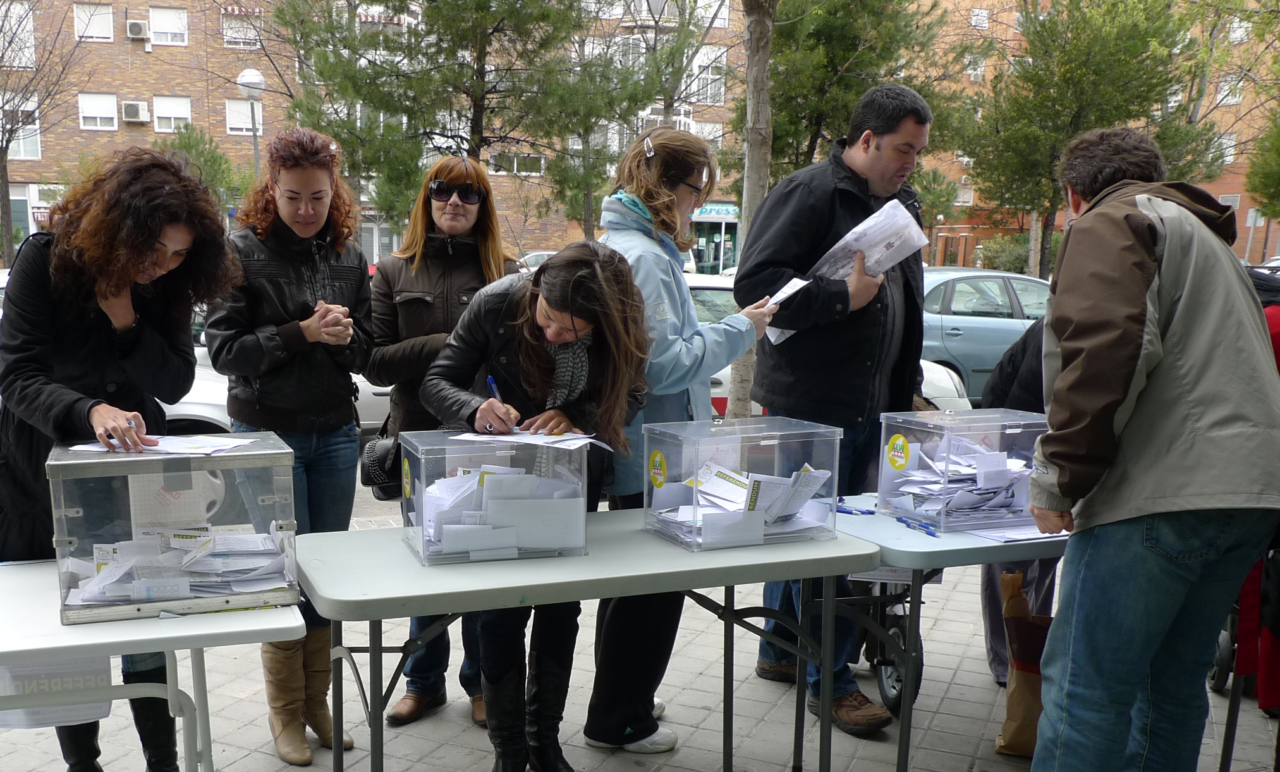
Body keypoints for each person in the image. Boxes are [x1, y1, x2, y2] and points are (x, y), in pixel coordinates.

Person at [1028, 127, 1280, 771]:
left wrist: (1059, 478)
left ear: (1074, 195)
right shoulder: (1205, 238)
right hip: (1248, 493)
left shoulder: (1115, 221)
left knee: (1087, 693)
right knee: (1171, 686)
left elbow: (1108, 351)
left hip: (1159, 495)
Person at [0, 148, 238, 772]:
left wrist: (128, 320)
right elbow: (16, 375)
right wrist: (89, 412)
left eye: (181, 253)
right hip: (38, 468)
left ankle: (163, 760)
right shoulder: (44, 258)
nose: (163, 265)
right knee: (68, 638)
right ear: (120, 229)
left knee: (145, 612)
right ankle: (85, 764)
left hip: (133, 470)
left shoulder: (169, 286)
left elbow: (178, 382)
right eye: (154, 248)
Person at [733, 83, 931, 736]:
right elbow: (757, 290)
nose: (910, 164)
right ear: (866, 140)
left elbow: (901, 302)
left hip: (871, 407)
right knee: (831, 547)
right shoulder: (809, 194)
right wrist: (840, 298)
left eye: (918, 153)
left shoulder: (899, 203)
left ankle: (784, 652)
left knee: (811, 534)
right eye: (902, 150)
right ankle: (834, 684)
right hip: (811, 408)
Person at [584, 127, 777, 753]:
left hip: (650, 448)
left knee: (632, 589)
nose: (699, 204)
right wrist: (740, 329)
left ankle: (624, 697)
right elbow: (663, 365)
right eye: (698, 191)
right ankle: (621, 718)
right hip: (653, 453)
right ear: (668, 188)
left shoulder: (634, 245)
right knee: (651, 594)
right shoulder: (643, 256)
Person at [420, 242, 648, 772]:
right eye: (547, 319)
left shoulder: (624, 319)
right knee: (499, 613)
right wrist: (477, 407)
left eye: (570, 332)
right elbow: (437, 381)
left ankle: (545, 743)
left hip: (570, 481)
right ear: (537, 291)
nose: (552, 335)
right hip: (497, 478)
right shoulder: (499, 302)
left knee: (560, 609)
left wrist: (579, 415)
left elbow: (634, 391)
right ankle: (509, 752)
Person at [205, 127, 373, 766]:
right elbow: (224, 352)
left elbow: (368, 352)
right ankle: (284, 715)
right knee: (282, 576)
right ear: (270, 189)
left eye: (319, 197)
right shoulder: (239, 250)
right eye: (294, 195)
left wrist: (345, 336)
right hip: (265, 431)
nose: (307, 210)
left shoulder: (350, 257)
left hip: (334, 430)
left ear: (336, 194)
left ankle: (317, 705)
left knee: (323, 576)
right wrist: (301, 333)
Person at [366, 156, 518, 728]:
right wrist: (447, 342)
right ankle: (422, 683)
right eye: (441, 191)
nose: (454, 202)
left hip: (490, 440)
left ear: (483, 205)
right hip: (419, 437)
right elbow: (375, 363)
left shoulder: (506, 269)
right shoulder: (393, 271)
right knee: (423, 566)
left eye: (468, 194)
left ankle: (481, 685)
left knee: (483, 565)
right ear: (426, 199)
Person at [976, 317, 1060, 687]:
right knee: (1015, 560)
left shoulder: (1058, 323)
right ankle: (1011, 656)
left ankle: (1025, 651)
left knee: (1044, 554)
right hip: (1026, 448)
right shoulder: (1055, 329)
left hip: (1037, 448)